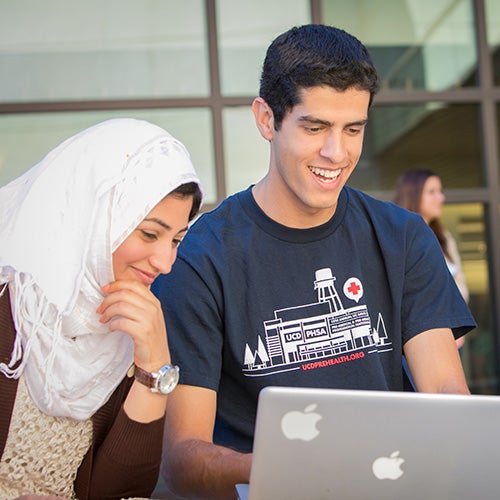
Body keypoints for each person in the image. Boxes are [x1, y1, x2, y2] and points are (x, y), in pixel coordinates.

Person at [152, 24, 476, 499]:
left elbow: (447, 393)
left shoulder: (403, 238)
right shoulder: (200, 258)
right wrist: (287, 467)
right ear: (266, 120)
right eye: (315, 127)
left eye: (353, 129)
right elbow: (182, 458)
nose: (337, 153)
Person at [0, 118, 203, 500]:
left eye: (176, 240)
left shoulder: (130, 328)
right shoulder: (7, 302)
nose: (165, 261)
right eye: (149, 233)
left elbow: (123, 493)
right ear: (92, 217)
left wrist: (154, 368)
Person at [393, 168, 470, 349]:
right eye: (432, 192)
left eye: (440, 191)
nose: (441, 198)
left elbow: (460, 287)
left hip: (452, 338)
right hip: (416, 342)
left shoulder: (444, 237)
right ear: (413, 194)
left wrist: (455, 326)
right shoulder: (397, 237)